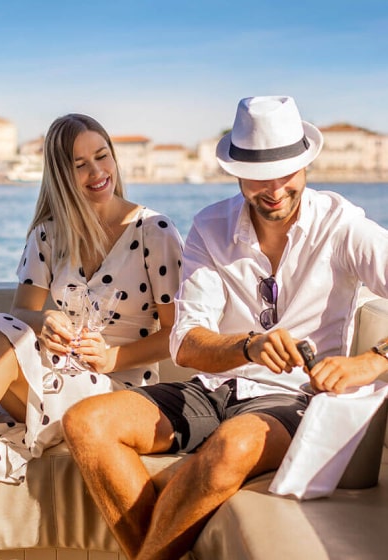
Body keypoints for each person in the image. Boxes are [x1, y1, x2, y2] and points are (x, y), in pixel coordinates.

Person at [62, 96, 388, 560]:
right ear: (236, 172)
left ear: (305, 165)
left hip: (293, 398)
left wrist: (372, 361)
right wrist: (249, 347)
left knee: (233, 445)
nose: (274, 188)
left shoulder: (342, 227)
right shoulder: (210, 227)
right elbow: (186, 341)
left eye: (286, 172)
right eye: (258, 176)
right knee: (85, 422)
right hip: (212, 389)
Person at [0, 113, 183, 484]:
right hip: (57, 368)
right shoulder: (48, 234)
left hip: (120, 389)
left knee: (9, 347)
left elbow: (178, 334)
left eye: (102, 156)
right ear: (61, 175)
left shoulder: (154, 231)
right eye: (80, 164)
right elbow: (22, 311)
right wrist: (43, 321)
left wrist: (109, 358)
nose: (97, 172)